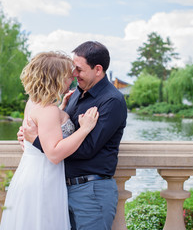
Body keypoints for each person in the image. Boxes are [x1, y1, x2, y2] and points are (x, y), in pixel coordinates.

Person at [20, 41, 128, 230]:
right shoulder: (77, 93)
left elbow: (86, 149)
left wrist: (36, 141)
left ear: (98, 69)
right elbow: (58, 131)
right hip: (60, 188)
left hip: (90, 192)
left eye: (78, 69)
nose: (73, 74)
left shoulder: (112, 101)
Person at [0, 51, 99, 230]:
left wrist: (61, 109)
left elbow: (46, 131)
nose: (73, 79)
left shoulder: (33, 102)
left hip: (30, 173)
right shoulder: (48, 110)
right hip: (43, 179)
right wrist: (84, 129)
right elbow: (53, 153)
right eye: (69, 76)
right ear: (56, 78)